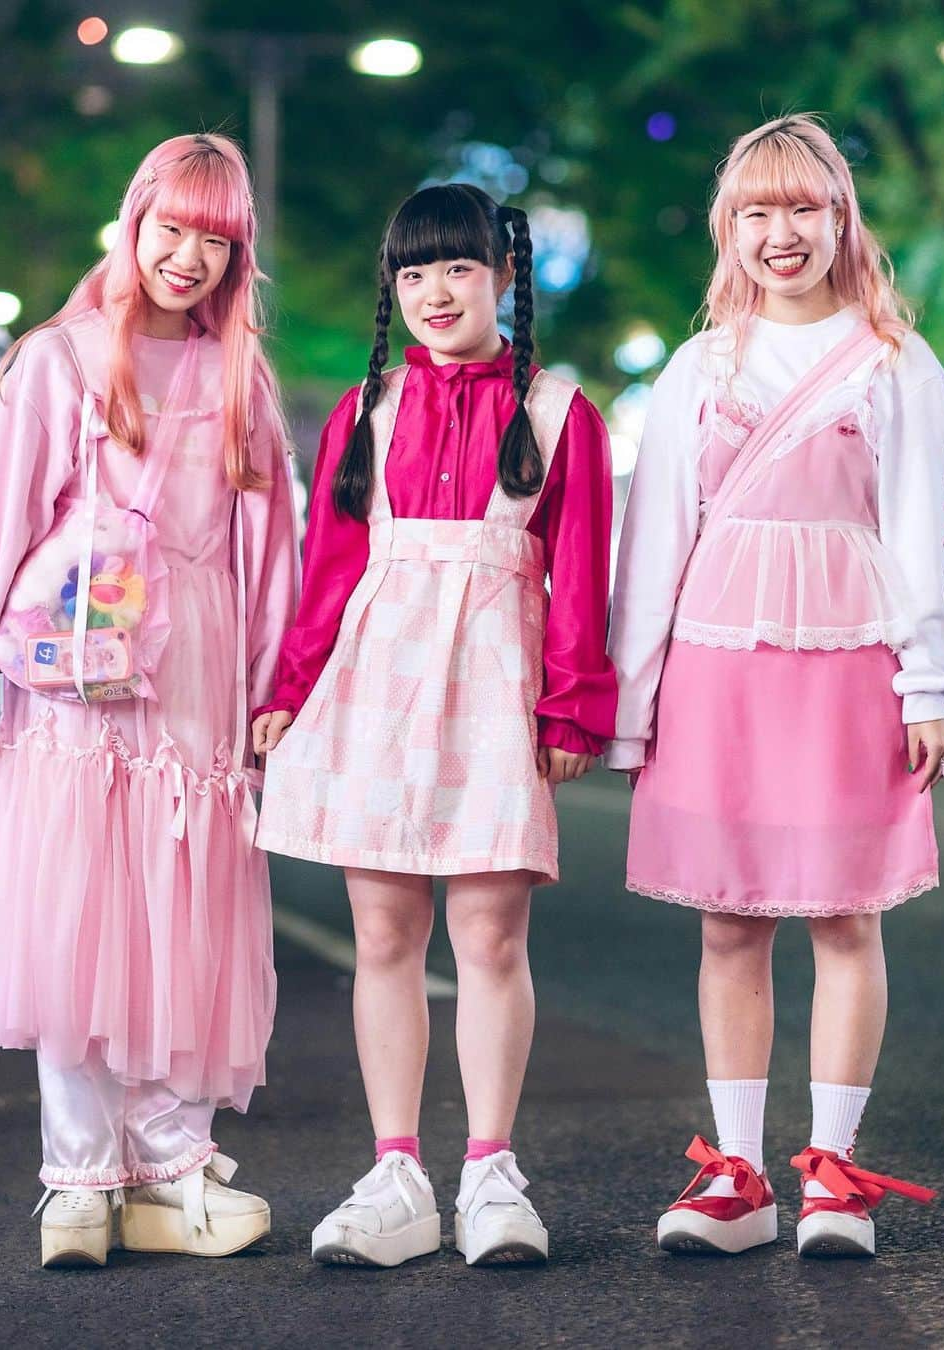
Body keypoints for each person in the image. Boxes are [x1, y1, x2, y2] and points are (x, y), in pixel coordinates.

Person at [0, 133, 299, 1268]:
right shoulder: (58, 361)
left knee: (180, 919)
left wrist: (268, 699)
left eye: (216, 238)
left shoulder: (242, 377)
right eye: (171, 228)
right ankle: (80, 1181)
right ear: (134, 221)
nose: (188, 256)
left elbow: (270, 559)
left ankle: (173, 1169)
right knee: (76, 920)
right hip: (71, 691)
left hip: (194, 687)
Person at [606, 115, 944, 1258]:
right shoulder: (700, 364)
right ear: (730, 232)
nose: (780, 232)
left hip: (852, 656)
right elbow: (654, 538)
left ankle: (836, 1177)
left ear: (841, 217)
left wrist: (925, 683)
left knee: (846, 916)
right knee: (730, 921)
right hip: (717, 659)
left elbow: (921, 530)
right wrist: (632, 698)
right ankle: (741, 1178)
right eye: (755, 212)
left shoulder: (899, 363)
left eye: (802, 207)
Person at [253, 183, 616, 1267]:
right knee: (382, 937)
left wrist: (573, 702)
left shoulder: (560, 414)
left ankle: (494, 1173)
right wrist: (288, 689)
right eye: (413, 273)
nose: (435, 292)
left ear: (506, 277)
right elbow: (330, 571)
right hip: (374, 690)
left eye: (458, 268)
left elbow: (582, 576)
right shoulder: (366, 413)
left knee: (492, 937)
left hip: (497, 691)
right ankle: (396, 1173)